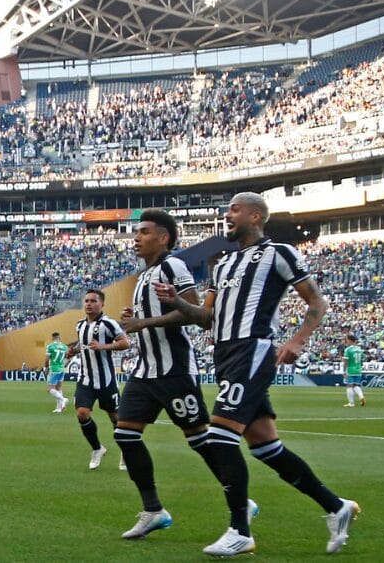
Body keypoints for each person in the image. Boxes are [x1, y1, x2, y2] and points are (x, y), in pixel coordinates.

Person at [157, 193, 359, 556]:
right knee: (267, 447)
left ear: (255, 216)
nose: (227, 214)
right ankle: (336, 506)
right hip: (225, 354)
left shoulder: (279, 253)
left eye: (234, 209)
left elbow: (317, 300)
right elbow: (206, 319)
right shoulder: (222, 264)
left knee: (220, 436)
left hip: (252, 350)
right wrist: (177, 301)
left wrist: (298, 340)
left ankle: (240, 530)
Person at [116, 209, 256, 542]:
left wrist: (143, 322)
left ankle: (241, 501)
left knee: (200, 440)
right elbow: (152, 316)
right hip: (145, 370)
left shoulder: (173, 266)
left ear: (163, 237)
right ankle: (153, 510)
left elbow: (193, 312)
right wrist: (135, 317)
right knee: (125, 435)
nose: (136, 238)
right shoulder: (144, 276)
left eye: (144, 232)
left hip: (174, 370)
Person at [69, 290, 129, 469]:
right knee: (82, 413)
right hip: (85, 379)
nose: (88, 304)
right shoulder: (80, 325)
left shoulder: (108, 324)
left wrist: (103, 346)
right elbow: (83, 343)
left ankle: (126, 452)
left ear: (102, 304)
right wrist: (74, 350)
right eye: (86, 301)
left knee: (116, 418)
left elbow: (125, 342)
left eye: (93, 301)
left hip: (106, 381)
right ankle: (97, 448)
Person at [341, 335, 366, 408]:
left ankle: (351, 403)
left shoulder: (348, 349)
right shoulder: (359, 349)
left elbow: (346, 360)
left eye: (346, 340)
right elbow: (362, 360)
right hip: (358, 370)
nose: (346, 341)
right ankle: (361, 396)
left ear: (350, 340)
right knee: (356, 385)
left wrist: (344, 371)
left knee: (349, 386)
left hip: (350, 369)